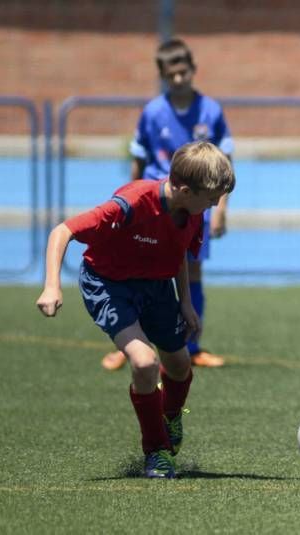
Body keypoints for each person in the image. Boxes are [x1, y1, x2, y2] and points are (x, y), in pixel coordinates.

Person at [36, 141, 235, 478]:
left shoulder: (193, 212)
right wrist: (51, 285)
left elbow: (179, 252)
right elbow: (63, 230)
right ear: (185, 190)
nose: (216, 205)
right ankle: (156, 451)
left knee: (180, 363)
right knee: (145, 363)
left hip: (156, 286)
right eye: (212, 198)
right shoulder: (131, 203)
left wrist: (185, 301)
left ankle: (171, 415)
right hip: (110, 286)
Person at [102, 37, 234, 371]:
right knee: (140, 271)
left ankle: (191, 346)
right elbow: (139, 161)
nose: (178, 79)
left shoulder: (211, 111)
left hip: (196, 208)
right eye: (171, 74)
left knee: (192, 272)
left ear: (193, 70)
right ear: (162, 74)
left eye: (183, 72)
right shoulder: (152, 112)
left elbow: (225, 165)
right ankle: (129, 342)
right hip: (154, 208)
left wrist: (221, 210)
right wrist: (129, 203)